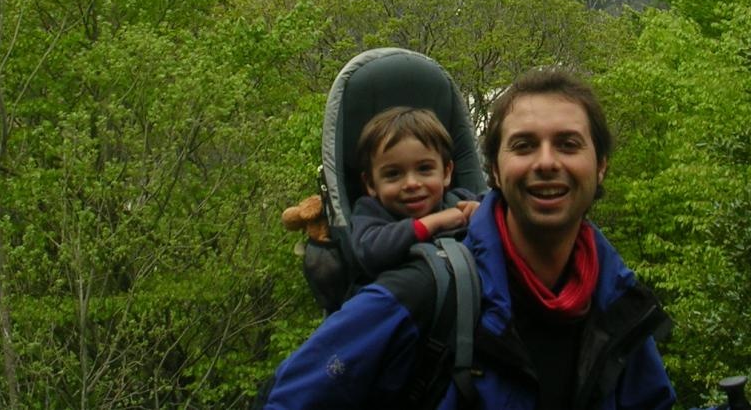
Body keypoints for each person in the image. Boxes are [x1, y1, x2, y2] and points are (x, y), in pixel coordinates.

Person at [259, 66, 675, 410]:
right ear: (493, 170)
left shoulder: (617, 300)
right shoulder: (423, 294)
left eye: (567, 144)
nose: (547, 162)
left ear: (600, 166)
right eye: (525, 145)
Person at [351, 106, 480, 276]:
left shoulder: (459, 200)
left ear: (446, 173)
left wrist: (482, 213)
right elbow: (368, 252)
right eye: (393, 174)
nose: (411, 184)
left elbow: (503, 215)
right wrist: (430, 224)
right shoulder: (370, 212)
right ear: (371, 184)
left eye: (424, 169)